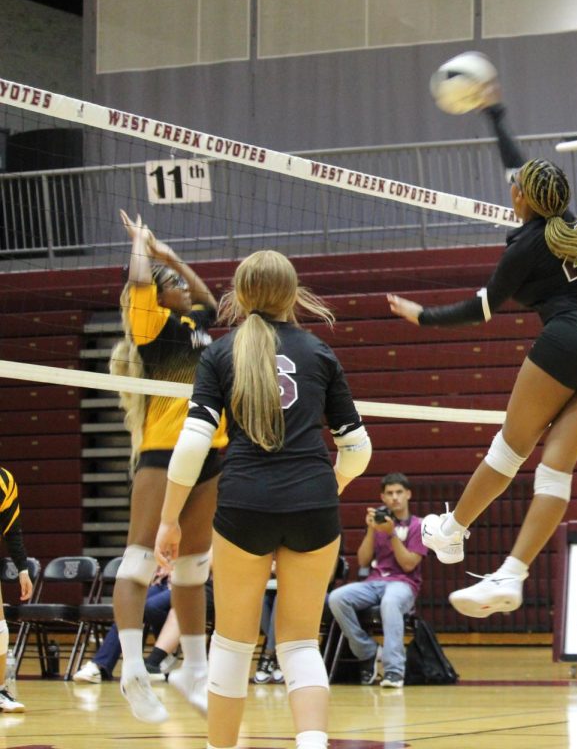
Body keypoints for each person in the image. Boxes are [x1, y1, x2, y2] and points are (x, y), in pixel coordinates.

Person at [387, 96, 577, 618]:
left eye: (514, 187)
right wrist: (498, 115)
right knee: (555, 472)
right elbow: (518, 168)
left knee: (510, 449)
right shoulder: (567, 222)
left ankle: (452, 533)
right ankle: (511, 575)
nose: (510, 188)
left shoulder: (524, 248)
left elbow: (482, 309)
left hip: (567, 340)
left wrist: (422, 316)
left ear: (522, 198)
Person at [154, 249, 371, 749]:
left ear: (241, 294)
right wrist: (325, 487)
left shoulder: (220, 353)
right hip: (313, 506)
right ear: (293, 295)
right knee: (299, 642)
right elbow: (358, 450)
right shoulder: (318, 352)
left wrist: (169, 520)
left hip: (244, 504)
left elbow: (191, 445)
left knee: (231, 643)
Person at [108, 210, 226, 723]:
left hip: (212, 451)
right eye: (171, 283)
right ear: (156, 296)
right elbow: (139, 281)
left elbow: (211, 302)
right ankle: (133, 668)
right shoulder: (152, 325)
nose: (181, 285)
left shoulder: (193, 324)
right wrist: (140, 246)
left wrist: (169, 256)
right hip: (166, 450)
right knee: (138, 560)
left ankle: (194, 672)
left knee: (193, 569)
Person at [327, 472, 426, 688]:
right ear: (382, 498)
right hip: (374, 581)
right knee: (336, 598)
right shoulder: (378, 524)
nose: (395, 498)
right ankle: (368, 651)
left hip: (404, 585)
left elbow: (409, 564)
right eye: (389, 493)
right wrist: (372, 530)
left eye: (399, 492)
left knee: (390, 602)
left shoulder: (418, 526)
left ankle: (393, 671)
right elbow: (362, 561)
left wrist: (391, 534)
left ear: (408, 494)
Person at [73, 577, 172, 683]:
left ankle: (166, 650)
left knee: (151, 606)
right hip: (163, 582)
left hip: (184, 580)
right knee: (129, 610)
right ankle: (99, 665)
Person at [0, 467, 34, 713]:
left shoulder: (5, 480)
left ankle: (0, 690)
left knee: (0, 629)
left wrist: (22, 568)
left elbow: (12, 529)